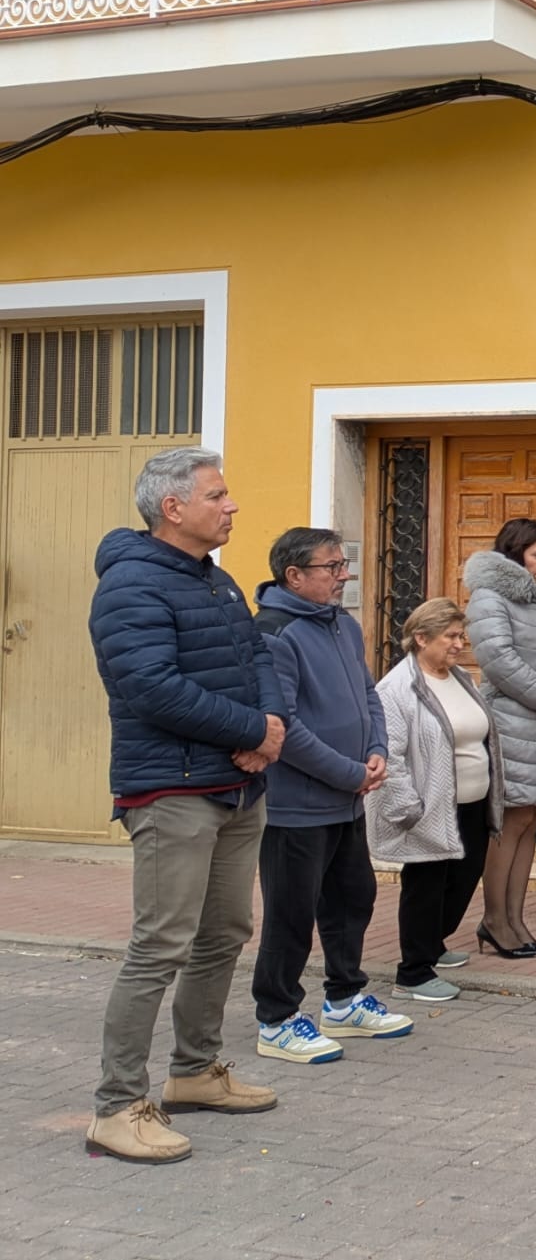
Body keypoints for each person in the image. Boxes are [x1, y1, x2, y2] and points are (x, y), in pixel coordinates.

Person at [85, 448, 285, 1164]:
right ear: (173, 507)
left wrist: (269, 728)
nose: (232, 506)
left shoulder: (216, 580)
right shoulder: (131, 584)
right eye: (217, 495)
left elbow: (259, 658)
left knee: (225, 930)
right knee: (160, 945)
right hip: (172, 789)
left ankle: (195, 1071)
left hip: (235, 784)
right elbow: (151, 687)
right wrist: (249, 731)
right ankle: (117, 1106)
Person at [250, 528, 410, 1066]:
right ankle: (276, 1019)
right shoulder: (274, 633)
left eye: (343, 564)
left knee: (352, 899)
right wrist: (348, 772)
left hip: (347, 799)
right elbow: (284, 727)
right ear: (294, 575)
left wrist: (377, 748)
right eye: (332, 567)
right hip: (295, 806)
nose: (344, 575)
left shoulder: (343, 624)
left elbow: (368, 694)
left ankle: (344, 1001)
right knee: (291, 915)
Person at [369, 599, 503, 1004]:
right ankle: (413, 971)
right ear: (421, 638)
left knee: (463, 877)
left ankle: (433, 943)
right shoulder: (397, 689)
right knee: (425, 886)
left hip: (472, 803)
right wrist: (408, 809)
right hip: (428, 806)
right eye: (451, 636)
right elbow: (390, 754)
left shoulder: (461, 677)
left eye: (461, 635)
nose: (460, 644)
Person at [464, 518, 536, 960]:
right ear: (514, 555)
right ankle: (495, 920)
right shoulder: (489, 598)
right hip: (512, 723)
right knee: (510, 823)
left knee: (533, 819)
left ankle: (516, 922)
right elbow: (498, 660)